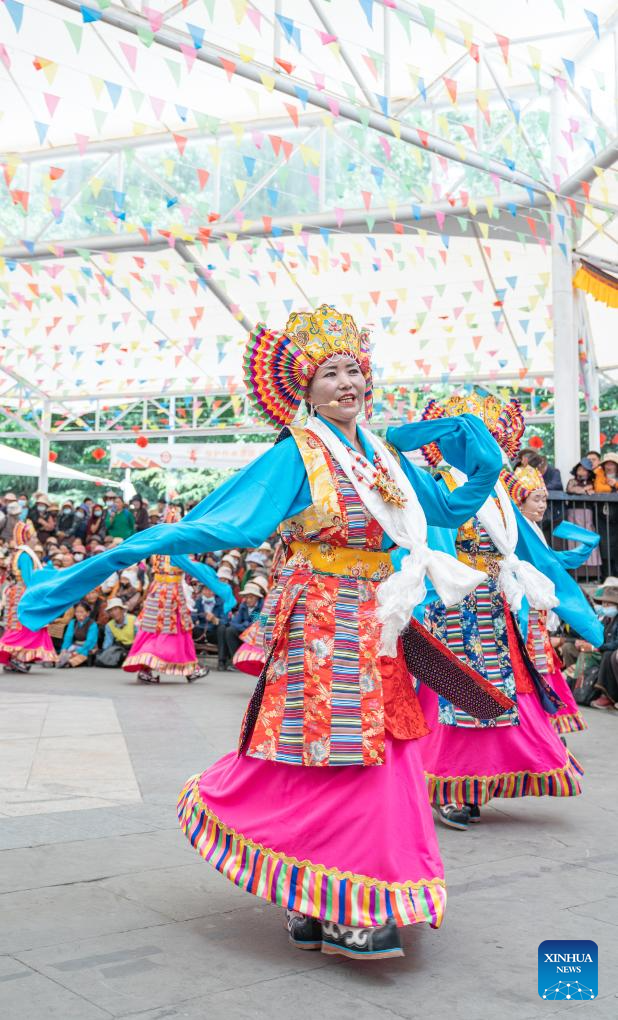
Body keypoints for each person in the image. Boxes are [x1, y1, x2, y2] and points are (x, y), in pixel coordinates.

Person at [19, 305, 512, 960]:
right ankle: (343, 899)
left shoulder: (386, 460)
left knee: (380, 752)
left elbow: (445, 508)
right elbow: (228, 525)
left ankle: (322, 896)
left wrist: (478, 453)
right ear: (305, 389)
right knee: (330, 755)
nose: (347, 384)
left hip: (380, 622)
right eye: (331, 373)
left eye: (354, 371)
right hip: (323, 625)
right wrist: (121, 553)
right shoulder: (297, 454)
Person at [415, 393, 603, 831]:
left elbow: (532, 552)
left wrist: (581, 616)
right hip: (451, 604)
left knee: (503, 695)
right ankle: (452, 785)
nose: (488, 447)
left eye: (492, 439)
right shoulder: (437, 483)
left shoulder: (497, 490)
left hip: (495, 608)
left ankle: (474, 784)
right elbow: (429, 544)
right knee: (455, 696)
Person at [508, 464, 590, 734]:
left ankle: (542, 722)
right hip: (522, 606)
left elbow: (547, 562)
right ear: (520, 500)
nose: (543, 505)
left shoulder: (531, 528)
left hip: (535, 608)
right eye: (536, 498)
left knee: (540, 661)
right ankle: (534, 724)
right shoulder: (515, 531)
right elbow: (542, 563)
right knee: (530, 662)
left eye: (544, 499)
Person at [122, 505, 233, 684]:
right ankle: (185, 668)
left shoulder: (157, 546)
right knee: (175, 629)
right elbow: (192, 567)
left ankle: (156, 667)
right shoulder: (176, 548)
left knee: (153, 629)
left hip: (156, 589)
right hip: (171, 592)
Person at [0, 521, 57, 672]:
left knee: (20, 626)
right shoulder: (25, 555)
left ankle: (13, 658)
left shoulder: (18, 553)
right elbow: (29, 579)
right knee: (26, 626)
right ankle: (16, 657)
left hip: (16, 592)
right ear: (26, 538)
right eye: (32, 536)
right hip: (23, 593)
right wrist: (48, 572)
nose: (35, 539)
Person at [217, 581, 263, 670]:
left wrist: (244, 625)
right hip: (244, 632)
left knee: (232, 629)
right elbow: (234, 622)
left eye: (251, 597)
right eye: (247, 597)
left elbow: (257, 625)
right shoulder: (243, 606)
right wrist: (245, 625)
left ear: (257, 598)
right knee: (229, 630)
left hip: (256, 635)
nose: (248, 600)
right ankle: (235, 660)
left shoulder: (262, 607)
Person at [588, 584, 618, 708]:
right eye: (604, 604)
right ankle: (585, 691)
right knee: (574, 650)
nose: (605, 608)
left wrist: (601, 647)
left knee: (609, 655)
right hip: (607, 648)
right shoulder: (606, 619)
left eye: (608, 605)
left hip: (611, 649)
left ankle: (608, 695)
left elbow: (615, 642)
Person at [96, 598, 137, 667]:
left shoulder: (133, 619)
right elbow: (108, 643)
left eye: (116, 609)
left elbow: (138, 637)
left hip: (134, 646)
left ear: (122, 610)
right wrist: (104, 653)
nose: (113, 613)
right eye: (111, 611)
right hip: (120, 648)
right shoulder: (109, 625)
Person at [57, 602, 99, 667]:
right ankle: (56, 661)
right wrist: (64, 648)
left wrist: (78, 651)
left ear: (87, 613)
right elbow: (68, 637)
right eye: (77, 612)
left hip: (88, 647)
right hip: (75, 645)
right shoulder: (73, 622)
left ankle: (68, 663)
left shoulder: (92, 624)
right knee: (65, 653)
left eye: (82, 612)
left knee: (81, 655)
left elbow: (90, 641)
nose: (79, 614)